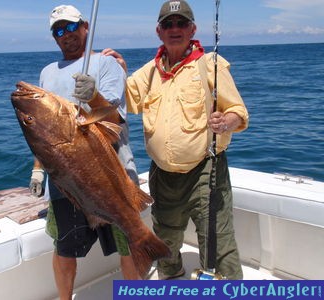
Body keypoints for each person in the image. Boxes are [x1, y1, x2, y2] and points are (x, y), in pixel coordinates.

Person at [103, 0, 249, 280]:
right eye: (168, 24)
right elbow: (125, 102)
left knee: (217, 242)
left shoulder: (211, 64)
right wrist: (114, 72)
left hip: (205, 171)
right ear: (159, 31)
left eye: (182, 23)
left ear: (192, 29)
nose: (175, 29)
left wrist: (226, 121)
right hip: (163, 176)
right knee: (164, 241)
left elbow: (238, 111)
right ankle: (171, 280)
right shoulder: (149, 71)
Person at [28, 4, 141, 299]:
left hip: (110, 174)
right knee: (64, 247)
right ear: (54, 38)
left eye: (71, 27)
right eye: (59, 31)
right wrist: (38, 169)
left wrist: (93, 95)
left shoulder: (106, 64)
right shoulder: (47, 73)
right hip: (66, 182)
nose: (66, 35)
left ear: (85, 26)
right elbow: (43, 135)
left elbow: (115, 121)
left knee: (129, 243)